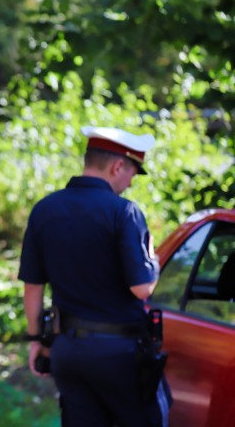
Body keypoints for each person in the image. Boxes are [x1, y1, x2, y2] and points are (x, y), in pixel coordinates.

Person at [18, 126, 172, 427]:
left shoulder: (44, 209)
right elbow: (142, 288)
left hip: (68, 352)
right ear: (118, 166)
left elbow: (33, 287)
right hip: (120, 355)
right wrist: (152, 260)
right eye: (132, 174)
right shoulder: (124, 212)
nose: (129, 184)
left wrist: (37, 341)